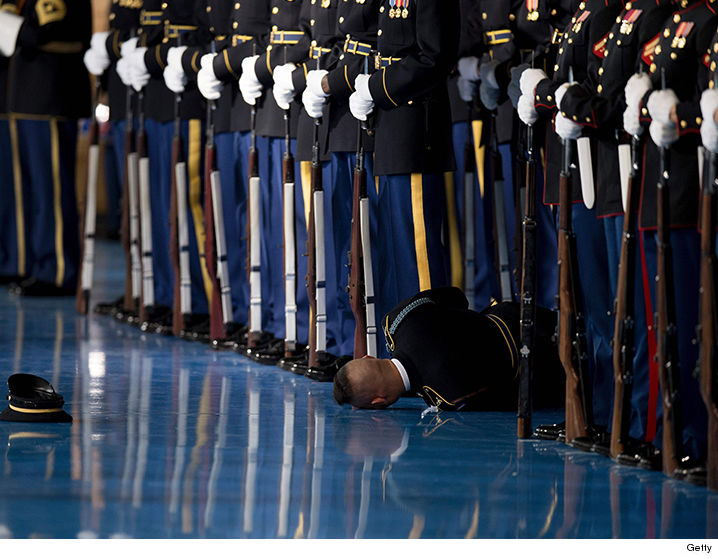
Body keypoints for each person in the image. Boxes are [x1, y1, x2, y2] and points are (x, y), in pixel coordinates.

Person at [333, 286, 564, 411]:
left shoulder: (445, 397)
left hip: (546, 372)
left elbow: (506, 397)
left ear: (379, 402)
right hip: (522, 316)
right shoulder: (395, 322)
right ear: (369, 356)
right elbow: (456, 296)